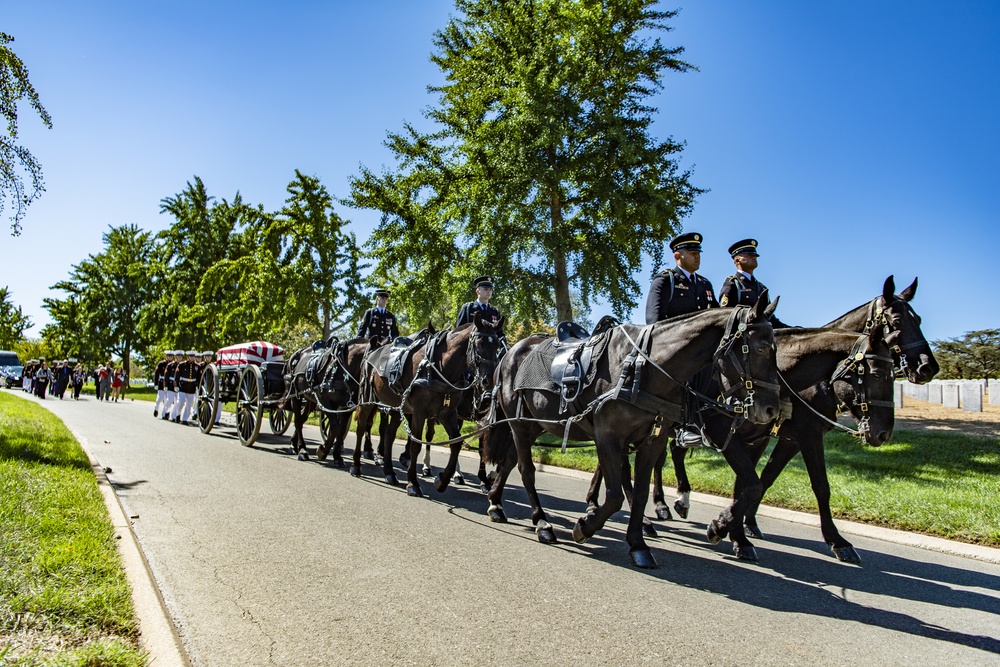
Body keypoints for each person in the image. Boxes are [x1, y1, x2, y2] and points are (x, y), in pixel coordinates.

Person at [643, 231, 719, 448]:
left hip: (702, 351)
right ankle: (684, 427)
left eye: (698, 253)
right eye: (692, 252)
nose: (697, 256)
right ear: (678, 256)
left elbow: (714, 314)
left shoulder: (704, 284)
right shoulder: (666, 280)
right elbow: (654, 319)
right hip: (673, 350)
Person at [717, 238, 788, 327]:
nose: (754, 257)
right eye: (749, 255)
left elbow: (769, 318)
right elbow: (724, 315)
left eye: (755, 255)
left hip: (762, 335)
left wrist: (794, 330)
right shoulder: (733, 284)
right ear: (737, 260)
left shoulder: (762, 287)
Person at [173, 350, 201, 424]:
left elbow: (198, 377)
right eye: (191, 357)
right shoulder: (182, 365)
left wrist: (198, 386)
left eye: (193, 357)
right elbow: (177, 376)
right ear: (188, 357)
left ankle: (185, 419)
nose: (192, 358)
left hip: (191, 387)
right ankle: (178, 414)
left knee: (189, 404)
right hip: (183, 386)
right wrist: (176, 385)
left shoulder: (197, 366)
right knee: (180, 402)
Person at [153, 351, 174, 418]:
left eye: (171, 356)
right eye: (168, 356)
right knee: (160, 398)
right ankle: (156, 409)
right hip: (161, 382)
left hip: (169, 383)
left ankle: (165, 413)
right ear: (166, 356)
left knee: (167, 400)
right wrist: (156, 383)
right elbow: (156, 374)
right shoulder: (161, 364)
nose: (170, 357)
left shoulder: (172, 365)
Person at [161, 351, 179, 421]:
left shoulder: (182, 365)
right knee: (169, 400)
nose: (179, 358)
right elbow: (166, 376)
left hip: (178, 386)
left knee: (177, 402)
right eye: (178, 356)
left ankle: (174, 416)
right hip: (170, 385)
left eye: (181, 357)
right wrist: (166, 385)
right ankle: (166, 412)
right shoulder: (170, 365)